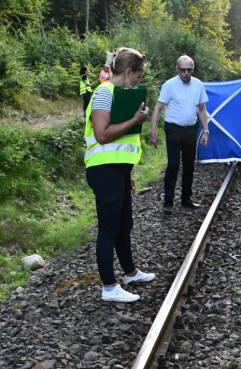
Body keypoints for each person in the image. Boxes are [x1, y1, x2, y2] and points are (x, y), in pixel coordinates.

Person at [84, 47, 155, 303]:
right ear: (127, 72)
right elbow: (102, 134)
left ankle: (130, 272)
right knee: (109, 229)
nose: (139, 80)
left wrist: (129, 173)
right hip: (104, 170)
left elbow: (121, 140)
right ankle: (109, 287)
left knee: (125, 224)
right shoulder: (104, 93)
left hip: (119, 170)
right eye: (138, 75)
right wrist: (136, 120)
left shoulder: (118, 94)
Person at [149, 55, 210, 214]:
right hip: (173, 130)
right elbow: (157, 108)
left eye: (189, 70)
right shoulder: (169, 85)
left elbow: (202, 109)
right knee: (173, 165)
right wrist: (153, 132)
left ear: (193, 70)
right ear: (177, 69)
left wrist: (206, 130)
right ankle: (168, 202)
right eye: (183, 70)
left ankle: (186, 199)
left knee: (189, 165)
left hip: (191, 130)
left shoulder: (198, 85)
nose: (186, 73)